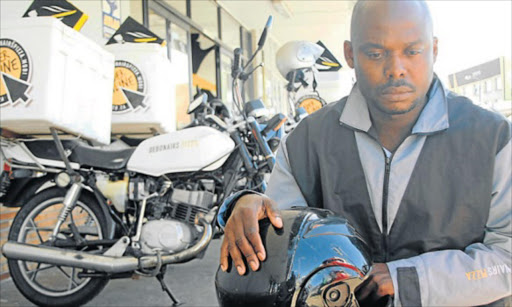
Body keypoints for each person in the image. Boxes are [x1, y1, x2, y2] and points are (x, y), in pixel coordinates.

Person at [217, 1, 512, 306]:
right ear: (350, 54)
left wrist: (407, 279)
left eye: (412, 51)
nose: (396, 68)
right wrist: (248, 208)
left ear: (434, 49)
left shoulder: (493, 139)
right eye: (375, 53)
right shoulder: (307, 141)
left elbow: (508, 256)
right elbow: (284, 251)